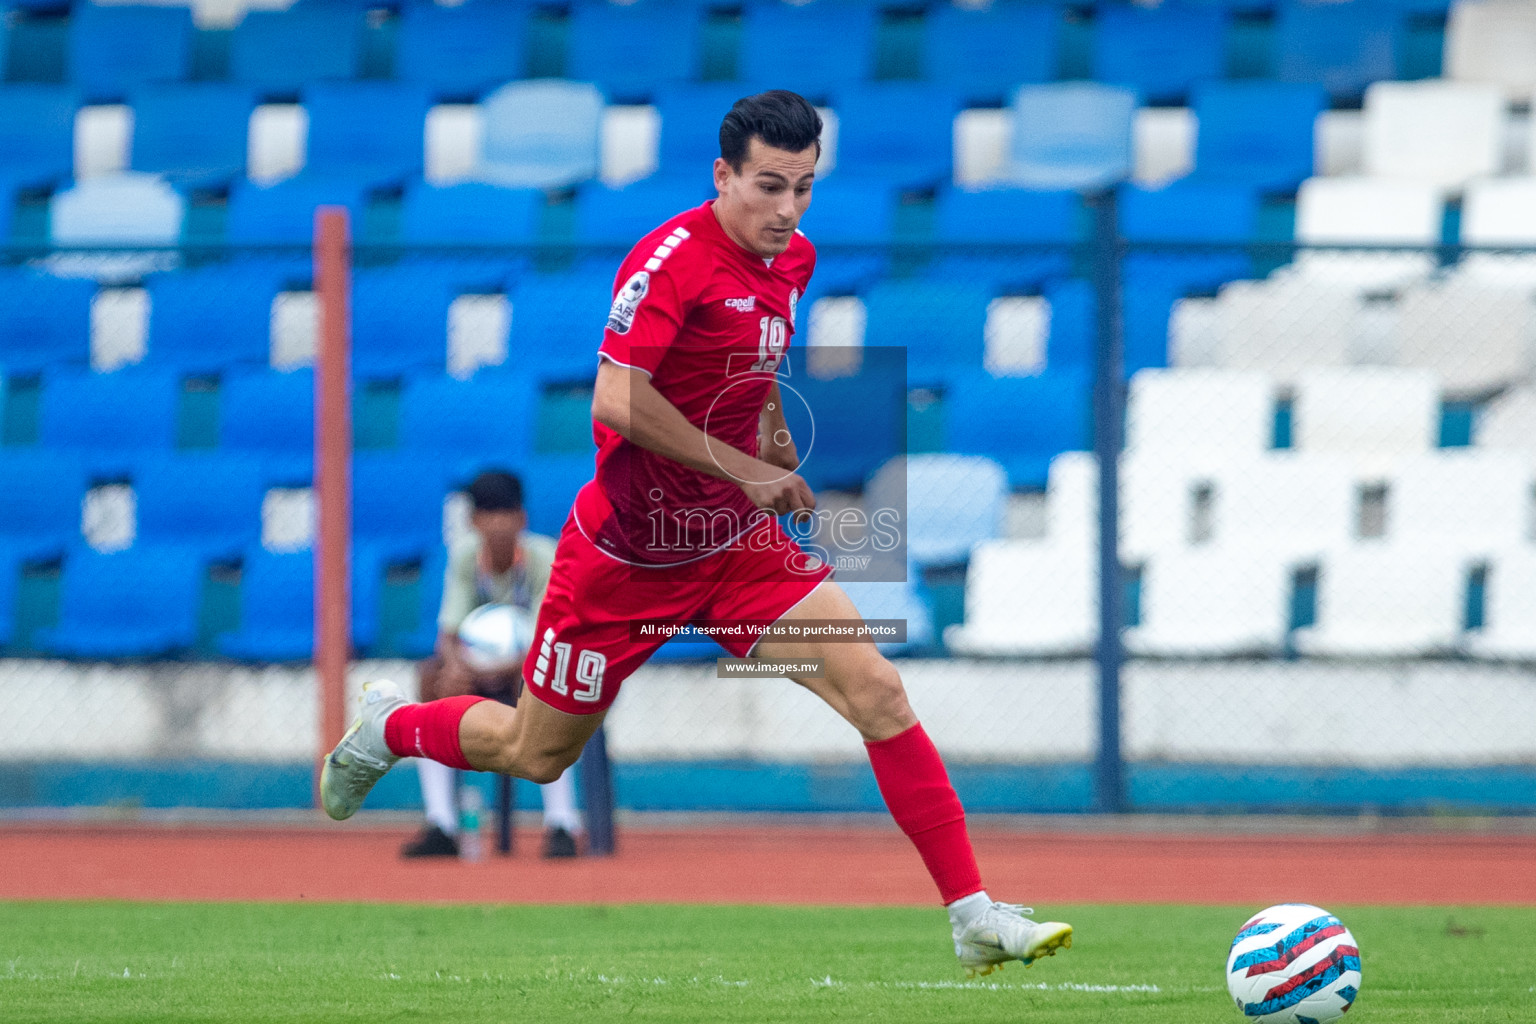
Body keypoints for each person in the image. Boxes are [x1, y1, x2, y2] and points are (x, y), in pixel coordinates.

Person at [322, 90, 1072, 975]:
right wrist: (745, 467)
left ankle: (971, 914)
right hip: (625, 561)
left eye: (803, 188)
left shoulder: (792, 261)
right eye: (768, 186)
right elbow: (615, 398)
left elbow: (752, 364)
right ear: (723, 176)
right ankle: (391, 727)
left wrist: (776, 445)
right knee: (536, 754)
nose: (787, 210)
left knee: (878, 692)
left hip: (733, 552)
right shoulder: (668, 261)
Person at [398, 469, 584, 860]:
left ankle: (562, 823)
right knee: (430, 681)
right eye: (488, 514)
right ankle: (441, 823)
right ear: (474, 521)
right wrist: (454, 667)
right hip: (480, 671)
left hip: (533, 666)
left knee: (551, 681)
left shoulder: (543, 558)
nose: (498, 524)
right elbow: (449, 632)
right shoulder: (465, 557)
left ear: (522, 519)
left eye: (506, 514)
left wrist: (491, 668)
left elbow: (548, 637)